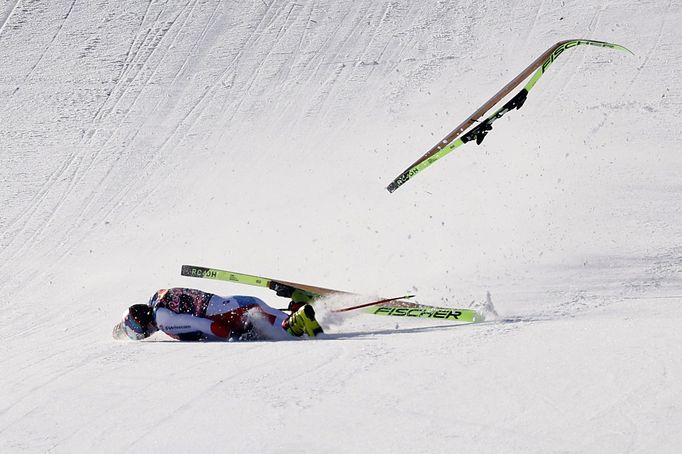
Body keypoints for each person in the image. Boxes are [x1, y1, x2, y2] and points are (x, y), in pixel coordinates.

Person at [112, 287, 323, 341]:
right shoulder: (158, 299)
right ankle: (301, 305)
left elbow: (209, 327)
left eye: (136, 329)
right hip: (240, 302)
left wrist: (232, 336)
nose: (141, 333)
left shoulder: (163, 319)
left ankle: (300, 317)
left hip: (235, 315)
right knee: (281, 322)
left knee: (289, 334)